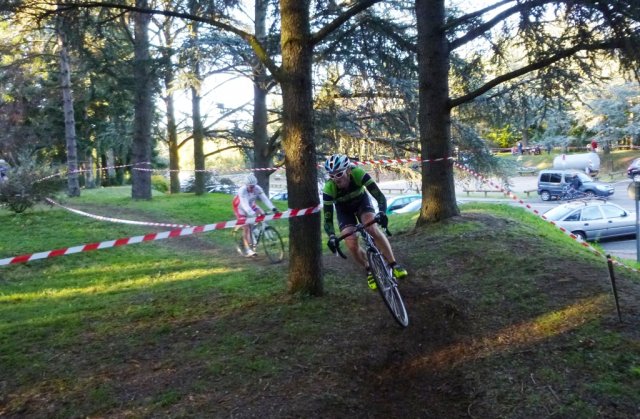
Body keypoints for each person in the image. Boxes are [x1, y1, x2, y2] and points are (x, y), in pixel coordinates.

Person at [322, 154, 408, 290]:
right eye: (331, 175)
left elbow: (379, 196)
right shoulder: (329, 188)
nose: (336, 179)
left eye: (339, 174)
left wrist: (382, 212)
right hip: (344, 210)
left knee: (371, 228)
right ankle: (368, 269)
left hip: (361, 202)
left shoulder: (358, 174)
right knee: (350, 242)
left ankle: (393, 264)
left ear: (348, 170)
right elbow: (327, 218)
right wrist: (332, 236)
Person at [232, 173, 278, 257]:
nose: (252, 188)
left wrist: (273, 208)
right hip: (240, 207)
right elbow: (245, 205)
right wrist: (253, 214)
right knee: (246, 227)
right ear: (246, 185)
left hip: (251, 205)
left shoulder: (257, 188)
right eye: (250, 187)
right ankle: (247, 249)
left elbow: (265, 199)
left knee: (262, 214)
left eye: (253, 186)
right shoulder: (242, 190)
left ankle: (255, 232)